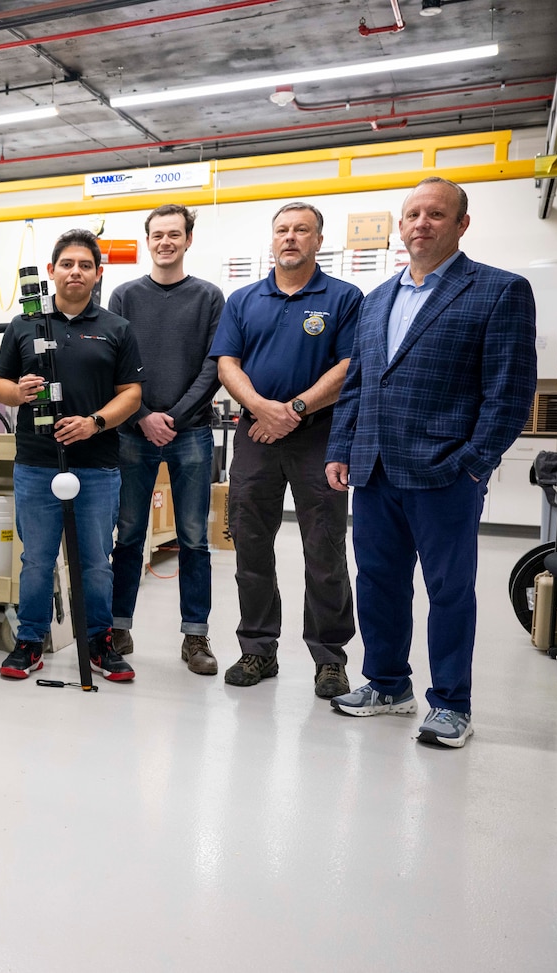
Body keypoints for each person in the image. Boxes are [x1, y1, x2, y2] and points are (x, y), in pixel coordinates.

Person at [326, 177, 536, 747]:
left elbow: (510, 393)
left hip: (446, 472)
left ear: (462, 224)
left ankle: (451, 703)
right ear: (401, 226)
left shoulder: (498, 290)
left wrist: (474, 462)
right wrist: (342, 447)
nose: (421, 223)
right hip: (373, 470)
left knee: (448, 591)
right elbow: (358, 383)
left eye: (436, 214)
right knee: (378, 584)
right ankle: (388, 683)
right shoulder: (376, 301)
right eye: (412, 214)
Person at [210, 202, 360, 698]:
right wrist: (261, 408)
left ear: (319, 240)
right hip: (255, 435)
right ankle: (257, 647)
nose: (290, 238)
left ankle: (329, 658)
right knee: (251, 544)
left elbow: (347, 368)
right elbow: (227, 363)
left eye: (302, 230)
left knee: (325, 548)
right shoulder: (244, 299)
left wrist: (291, 410)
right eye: (282, 230)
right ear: (271, 240)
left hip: (320, 436)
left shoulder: (343, 297)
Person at [0, 228, 143, 683]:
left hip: (96, 464)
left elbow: (132, 394)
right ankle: (31, 639)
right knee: (37, 558)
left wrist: (93, 422)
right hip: (37, 463)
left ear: (98, 273)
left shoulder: (116, 328)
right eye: (67, 264)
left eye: (85, 265)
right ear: (52, 270)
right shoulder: (24, 326)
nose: (75, 271)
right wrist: (17, 392)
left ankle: (99, 640)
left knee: (96, 558)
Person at [108, 204, 224, 674]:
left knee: (195, 539)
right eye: (157, 234)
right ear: (148, 240)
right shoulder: (123, 296)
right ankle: (118, 626)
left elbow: (215, 366)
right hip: (133, 433)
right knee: (130, 534)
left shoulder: (210, 297)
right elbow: (112, 367)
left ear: (188, 239)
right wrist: (143, 417)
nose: (165, 242)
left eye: (174, 234)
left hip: (190, 431)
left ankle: (195, 637)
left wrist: (171, 417)